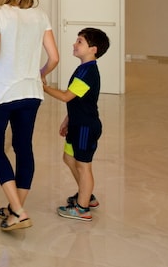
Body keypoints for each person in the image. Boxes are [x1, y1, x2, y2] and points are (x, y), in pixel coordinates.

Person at [0, 0, 59, 231]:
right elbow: (54, 58)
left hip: (1, 92)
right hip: (31, 92)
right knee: (24, 147)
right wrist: (39, 74)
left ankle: (20, 211)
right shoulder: (40, 15)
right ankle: (15, 209)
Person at [42, 27, 110, 222]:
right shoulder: (83, 68)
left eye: (80, 41)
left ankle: (82, 208)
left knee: (83, 166)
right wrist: (68, 119)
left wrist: (44, 87)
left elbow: (66, 96)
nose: (74, 44)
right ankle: (86, 195)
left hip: (85, 128)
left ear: (93, 49)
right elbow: (78, 100)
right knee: (68, 158)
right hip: (77, 123)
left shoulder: (88, 72)